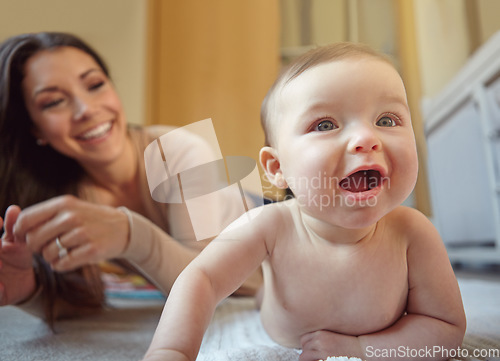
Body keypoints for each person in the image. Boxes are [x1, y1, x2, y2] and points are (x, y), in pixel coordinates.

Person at [142, 42, 466, 361]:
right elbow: (202, 278)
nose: (367, 139)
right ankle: (262, 295)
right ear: (278, 168)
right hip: (275, 301)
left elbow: (445, 328)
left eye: (386, 120)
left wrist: (362, 351)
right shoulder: (270, 225)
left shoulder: (413, 232)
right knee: (264, 294)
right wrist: (171, 351)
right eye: (325, 125)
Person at [0, 32, 261, 325]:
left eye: (95, 85)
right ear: (34, 129)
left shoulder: (178, 149)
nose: (86, 110)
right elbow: (82, 302)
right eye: (54, 102)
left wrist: (132, 236)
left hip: (269, 223)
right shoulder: (64, 193)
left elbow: (211, 285)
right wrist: (28, 292)